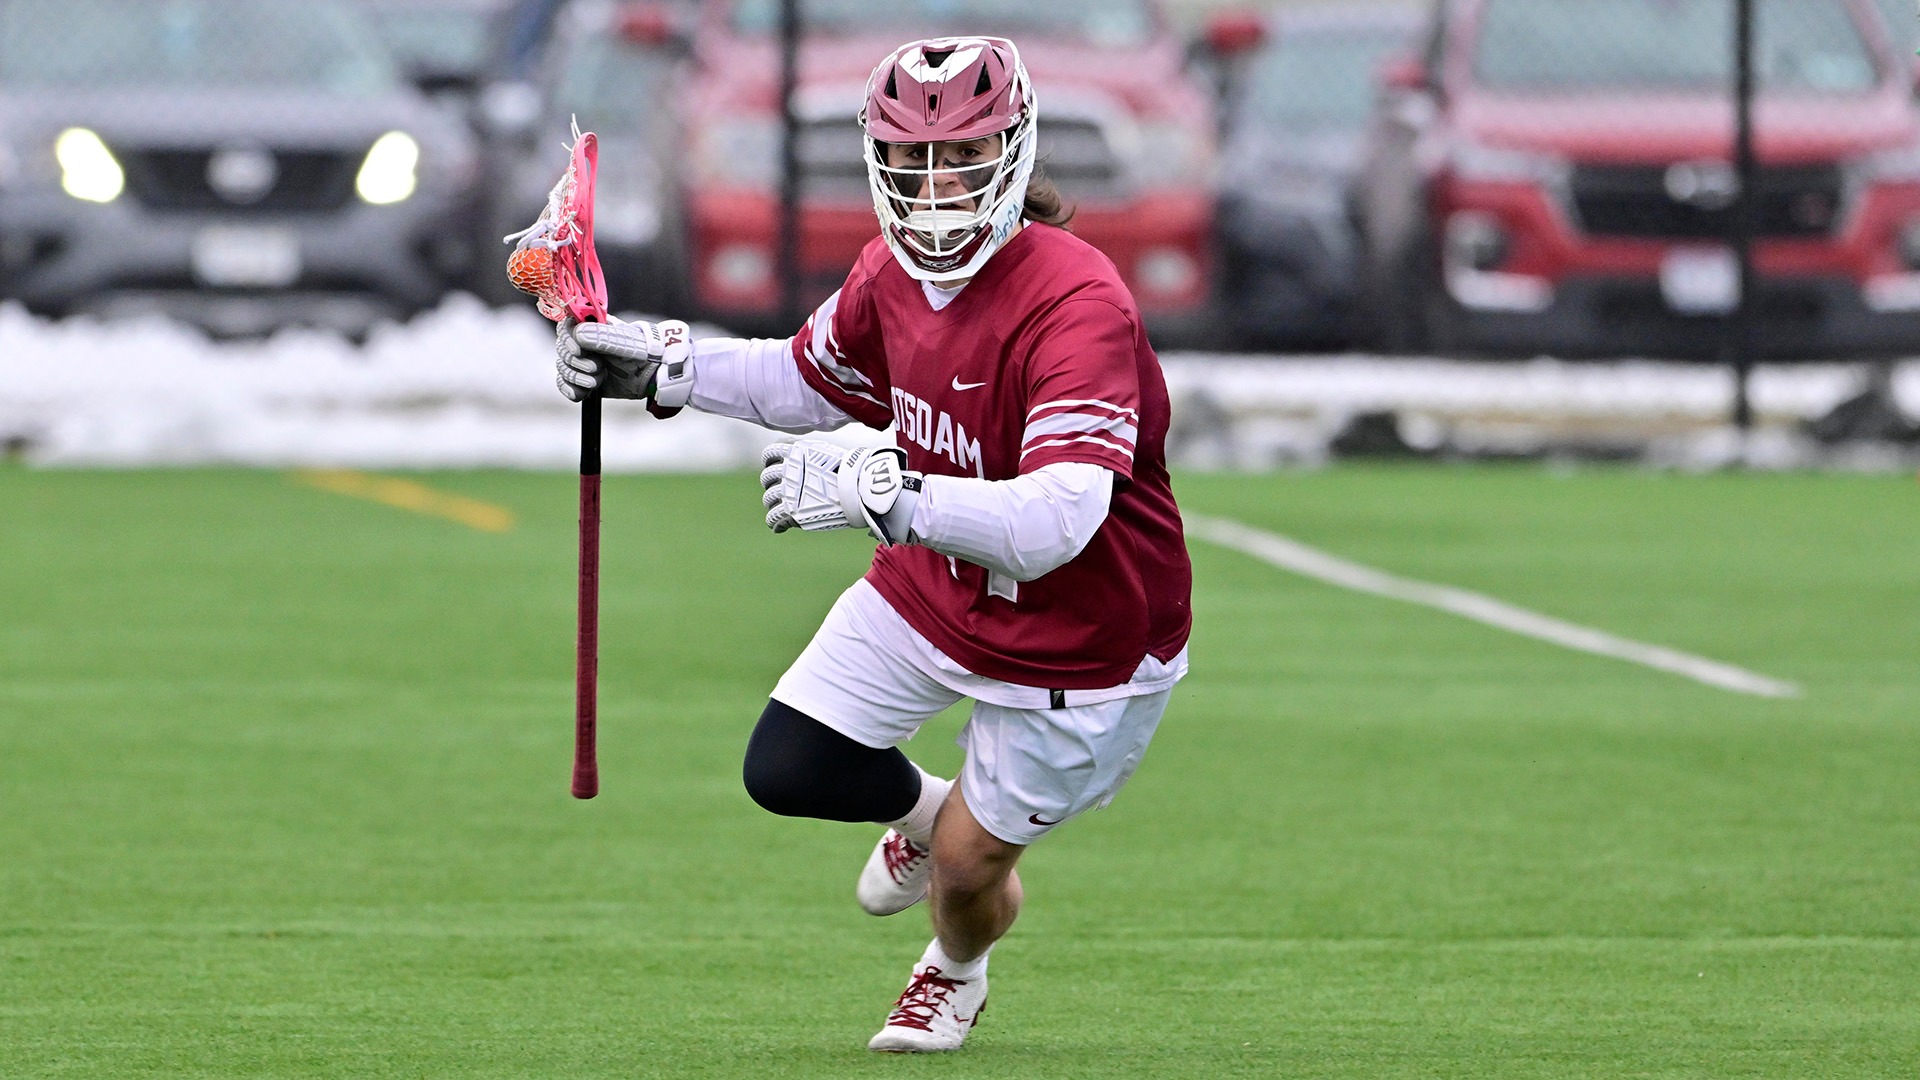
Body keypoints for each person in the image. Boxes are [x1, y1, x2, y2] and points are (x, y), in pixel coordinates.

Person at [550, 35, 1192, 1053]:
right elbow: (808, 382)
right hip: (935, 586)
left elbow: (1056, 527)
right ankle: (932, 815)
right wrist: (663, 368)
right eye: (913, 160)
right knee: (790, 767)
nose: (936, 187)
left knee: (972, 872)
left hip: (1086, 638)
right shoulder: (888, 271)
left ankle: (956, 968)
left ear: (1014, 153)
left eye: (963, 157)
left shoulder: (1077, 301)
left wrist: (888, 499)